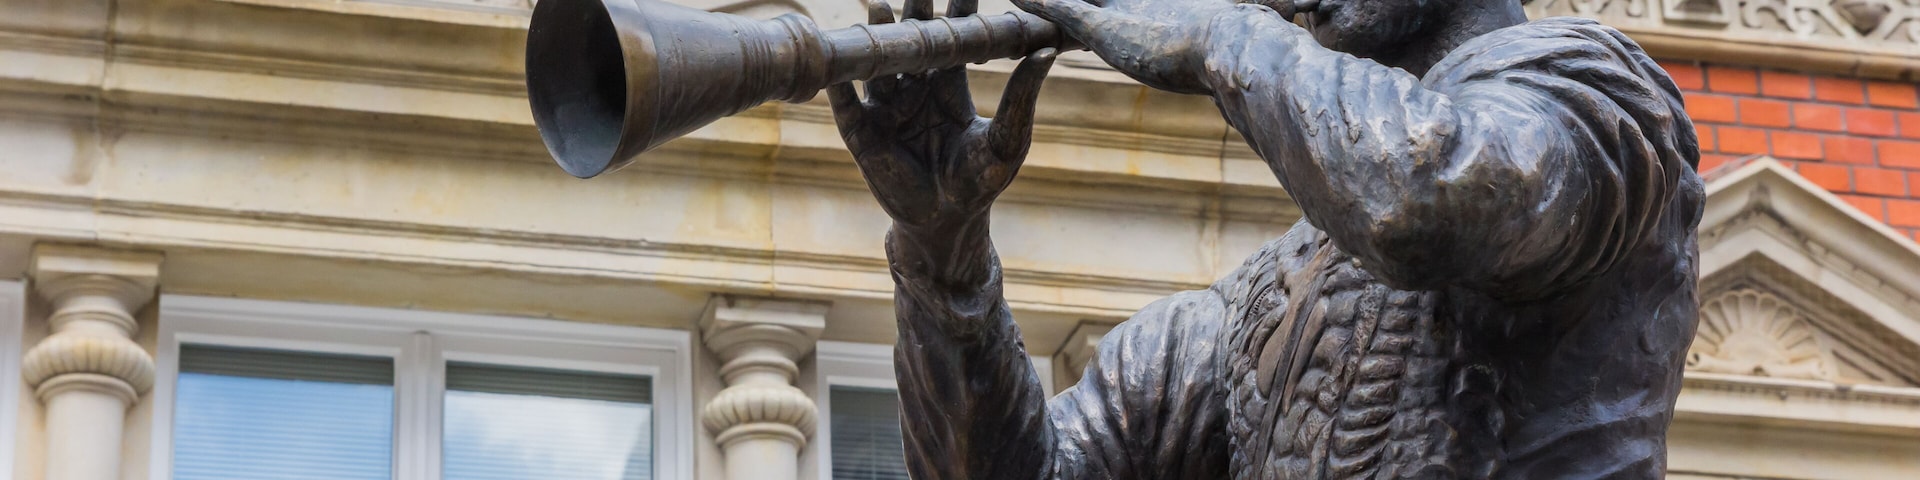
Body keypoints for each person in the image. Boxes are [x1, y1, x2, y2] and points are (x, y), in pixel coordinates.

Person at [824, 0, 1704, 476]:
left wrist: (1218, 37)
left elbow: (1425, 196)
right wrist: (944, 245)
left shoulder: (1596, 94)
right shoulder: (1258, 307)